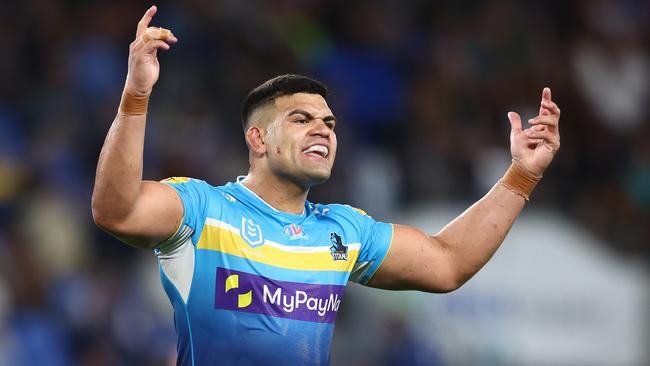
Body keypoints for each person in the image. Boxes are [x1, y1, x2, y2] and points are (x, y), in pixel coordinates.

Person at [91, 6, 561, 366]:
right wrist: (136, 97)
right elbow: (116, 211)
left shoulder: (343, 231)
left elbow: (448, 264)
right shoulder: (202, 209)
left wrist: (521, 175)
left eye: (329, 123)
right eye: (301, 119)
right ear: (258, 138)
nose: (323, 130)